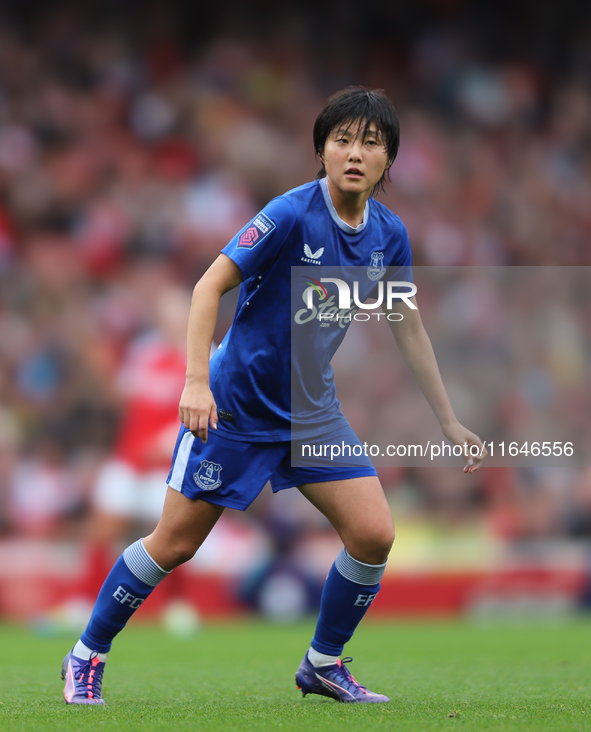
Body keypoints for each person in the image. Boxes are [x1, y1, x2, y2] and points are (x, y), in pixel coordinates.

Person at [61, 86, 486, 705]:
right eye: (342, 139)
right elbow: (209, 287)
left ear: (389, 159)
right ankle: (86, 654)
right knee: (174, 544)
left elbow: (409, 326)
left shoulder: (389, 237)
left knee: (373, 533)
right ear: (321, 149)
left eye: (371, 143)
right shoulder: (288, 214)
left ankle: (323, 663)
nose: (354, 153)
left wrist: (448, 420)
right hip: (235, 408)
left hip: (312, 412)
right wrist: (195, 382)